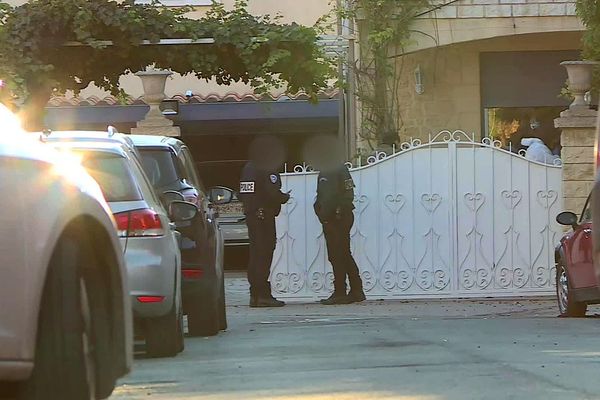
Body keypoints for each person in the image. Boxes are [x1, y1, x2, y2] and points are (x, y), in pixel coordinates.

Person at [239, 136, 290, 308]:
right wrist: (284, 197)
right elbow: (272, 193)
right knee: (265, 253)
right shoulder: (267, 168)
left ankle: (255, 294)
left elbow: (243, 193)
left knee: (255, 254)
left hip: (252, 216)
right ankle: (263, 295)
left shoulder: (248, 168)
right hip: (264, 216)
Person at [313, 154, 365, 305]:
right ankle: (355, 290)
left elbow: (348, 194)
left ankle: (342, 291)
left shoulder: (340, 170)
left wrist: (338, 211)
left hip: (340, 218)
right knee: (338, 255)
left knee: (339, 254)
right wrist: (319, 211)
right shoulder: (323, 172)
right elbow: (321, 196)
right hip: (328, 219)